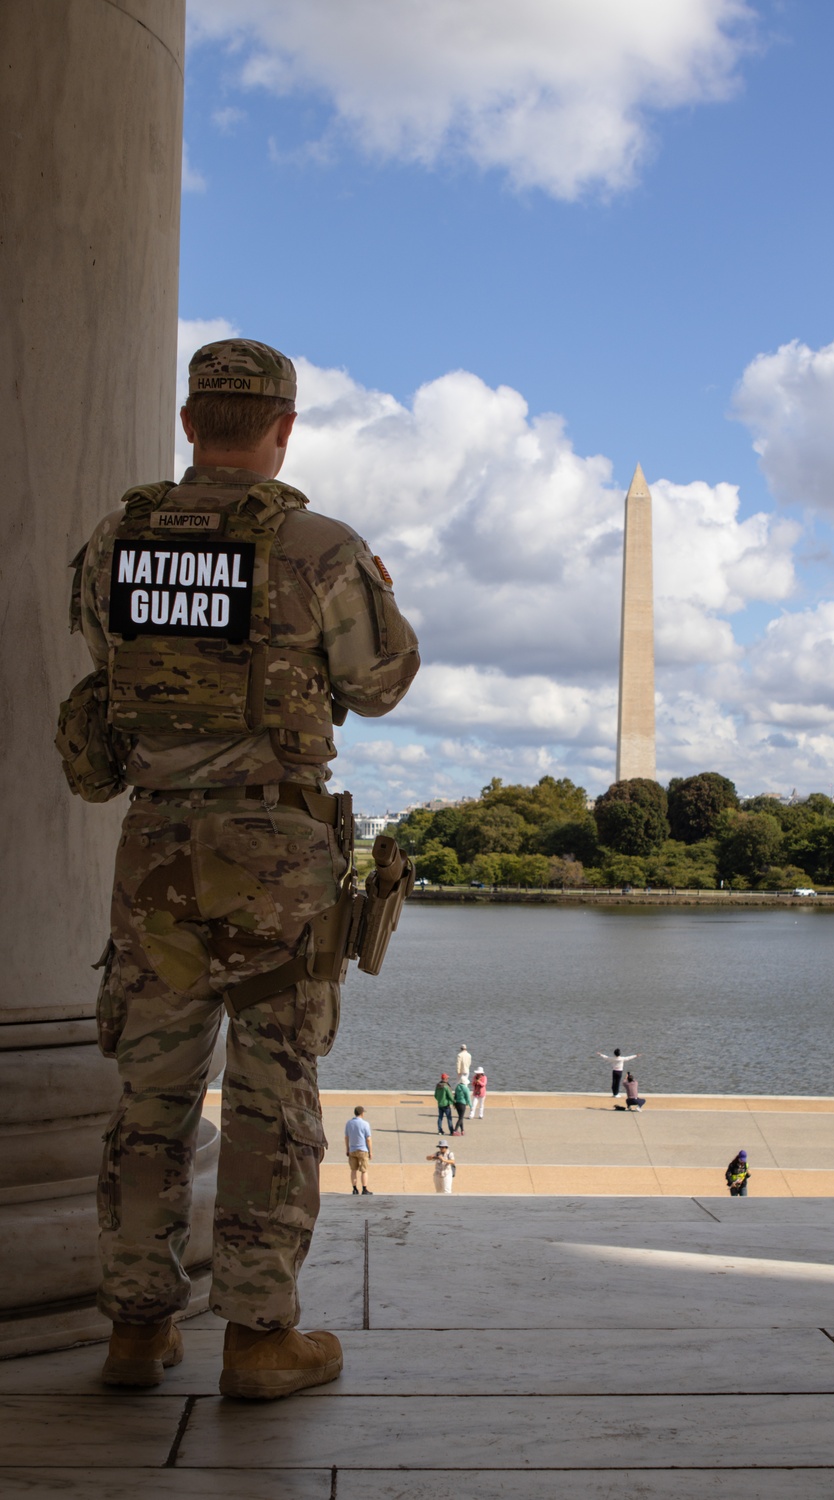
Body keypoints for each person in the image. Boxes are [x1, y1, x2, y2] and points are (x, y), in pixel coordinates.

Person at [67, 339, 419, 1401]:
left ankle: (137, 1327)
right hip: (279, 858)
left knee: (150, 1098)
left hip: (156, 848)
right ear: (282, 428)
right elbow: (383, 679)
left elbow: (103, 663)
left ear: (189, 425)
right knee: (274, 1098)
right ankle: (260, 1336)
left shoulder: (115, 539)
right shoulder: (318, 546)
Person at [344, 1106, 373, 1195]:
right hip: (363, 1150)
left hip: (352, 1149)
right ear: (362, 1113)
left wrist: (347, 1149)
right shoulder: (365, 1124)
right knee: (364, 1170)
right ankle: (364, 1189)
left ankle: (354, 1189)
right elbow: (368, 1139)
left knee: (353, 1170)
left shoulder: (349, 1123)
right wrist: (370, 1151)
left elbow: (346, 1137)